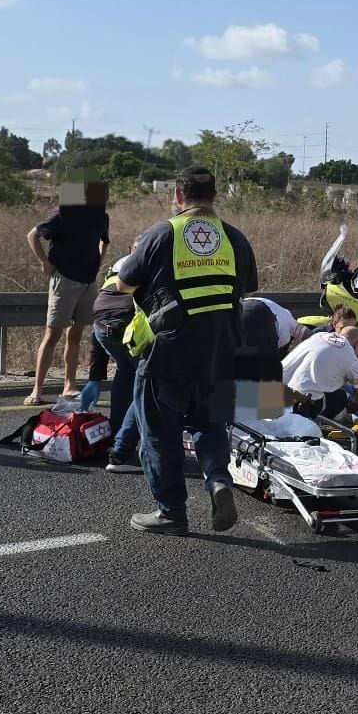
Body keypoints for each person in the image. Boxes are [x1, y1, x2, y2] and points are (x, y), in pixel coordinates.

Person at [115, 166, 258, 535]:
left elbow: (124, 283)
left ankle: (171, 512)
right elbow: (246, 288)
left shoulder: (162, 233)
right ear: (214, 196)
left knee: (159, 433)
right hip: (221, 351)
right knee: (209, 425)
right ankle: (217, 479)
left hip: (169, 352)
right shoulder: (234, 237)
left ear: (178, 196)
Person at [26, 182, 110, 405]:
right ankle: (37, 390)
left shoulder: (102, 217)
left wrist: (97, 263)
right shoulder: (62, 215)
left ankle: (69, 386)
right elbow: (33, 235)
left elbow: (104, 241)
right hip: (64, 279)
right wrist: (44, 263)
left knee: (75, 335)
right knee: (52, 335)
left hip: (88, 282)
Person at [282, 308, 358, 429]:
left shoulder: (319, 336)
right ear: (357, 344)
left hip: (271, 389)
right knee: (341, 396)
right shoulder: (352, 360)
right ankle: (319, 422)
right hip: (300, 404)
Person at [89, 257, 139, 448]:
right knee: (149, 381)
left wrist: (94, 378)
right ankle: (123, 445)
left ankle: (116, 432)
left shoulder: (119, 264)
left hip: (102, 326)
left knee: (126, 371)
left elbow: (104, 314)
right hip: (128, 322)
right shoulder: (157, 259)